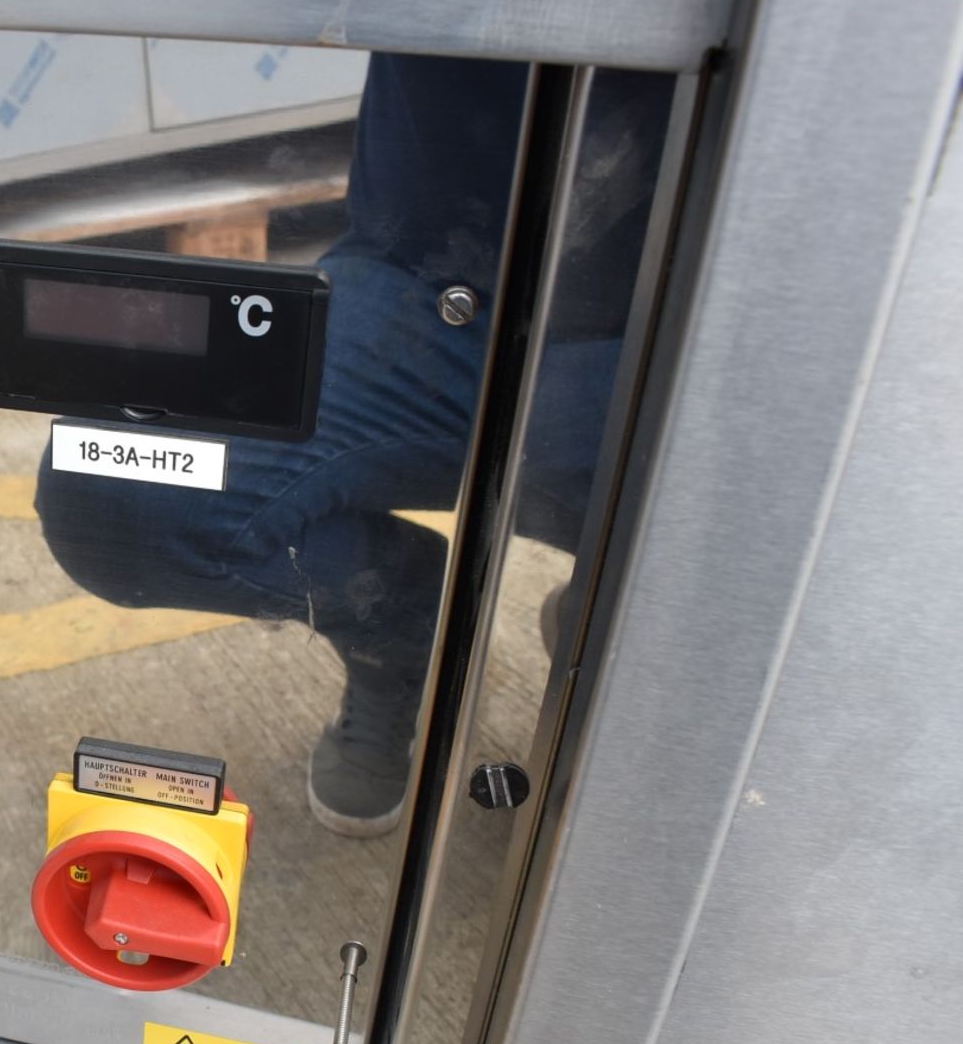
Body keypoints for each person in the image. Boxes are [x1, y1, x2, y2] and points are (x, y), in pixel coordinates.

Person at [34, 55, 669, 837]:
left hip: (679, 322)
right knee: (111, 485)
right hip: (421, 286)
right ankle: (401, 626)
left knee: (765, 581)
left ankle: (611, 619)